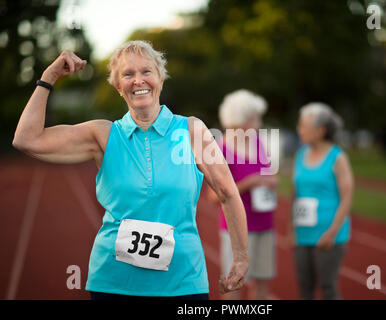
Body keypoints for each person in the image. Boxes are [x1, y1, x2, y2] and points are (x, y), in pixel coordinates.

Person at [12, 40, 249, 300]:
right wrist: (49, 76)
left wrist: (240, 255)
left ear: (160, 78)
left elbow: (227, 193)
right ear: (118, 87)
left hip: (183, 283)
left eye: (146, 71)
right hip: (113, 283)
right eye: (128, 74)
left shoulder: (192, 131)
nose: (138, 81)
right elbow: (26, 139)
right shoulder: (103, 135)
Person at [208, 89, 278, 300]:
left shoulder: (259, 143)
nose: (258, 123)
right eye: (255, 118)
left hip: (265, 224)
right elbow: (213, 198)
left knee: (262, 282)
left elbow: (271, 176)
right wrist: (249, 183)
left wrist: (271, 181)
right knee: (233, 286)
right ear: (240, 119)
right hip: (236, 229)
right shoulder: (220, 150)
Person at [289, 102, 354, 300]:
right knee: (304, 286)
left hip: (329, 233)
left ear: (320, 130)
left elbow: (347, 198)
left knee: (327, 287)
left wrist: (332, 232)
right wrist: (290, 228)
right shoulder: (300, 155)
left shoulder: (338, 157)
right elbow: (295, 195)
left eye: (303, 126)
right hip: (303, 233)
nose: (299, 130)